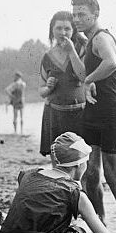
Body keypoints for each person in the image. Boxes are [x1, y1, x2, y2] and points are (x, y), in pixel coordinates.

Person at [70, 0, 116, 233]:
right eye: (74, 14)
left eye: (82, 14)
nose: (77, 19)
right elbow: (85, 72)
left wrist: (88, 81)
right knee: (91, 174)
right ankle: (100, 223)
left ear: (96, 14)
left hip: (112, 114)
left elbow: (112, 62)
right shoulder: (89, 41)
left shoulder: (102, 38)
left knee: (112, 174)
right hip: (93, 115)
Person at [38, 11, 87, 157]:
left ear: (73, 30)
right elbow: (41, 91)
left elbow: (84, 76)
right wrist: (48, 87)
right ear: (52, 30)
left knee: (82, 159)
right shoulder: (47, 56)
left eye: (67, 28)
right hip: (55, 115)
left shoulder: (82, 49)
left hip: (80, 113)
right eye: (58, 28)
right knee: (58, 160)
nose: (63, 32)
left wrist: (71, 51)